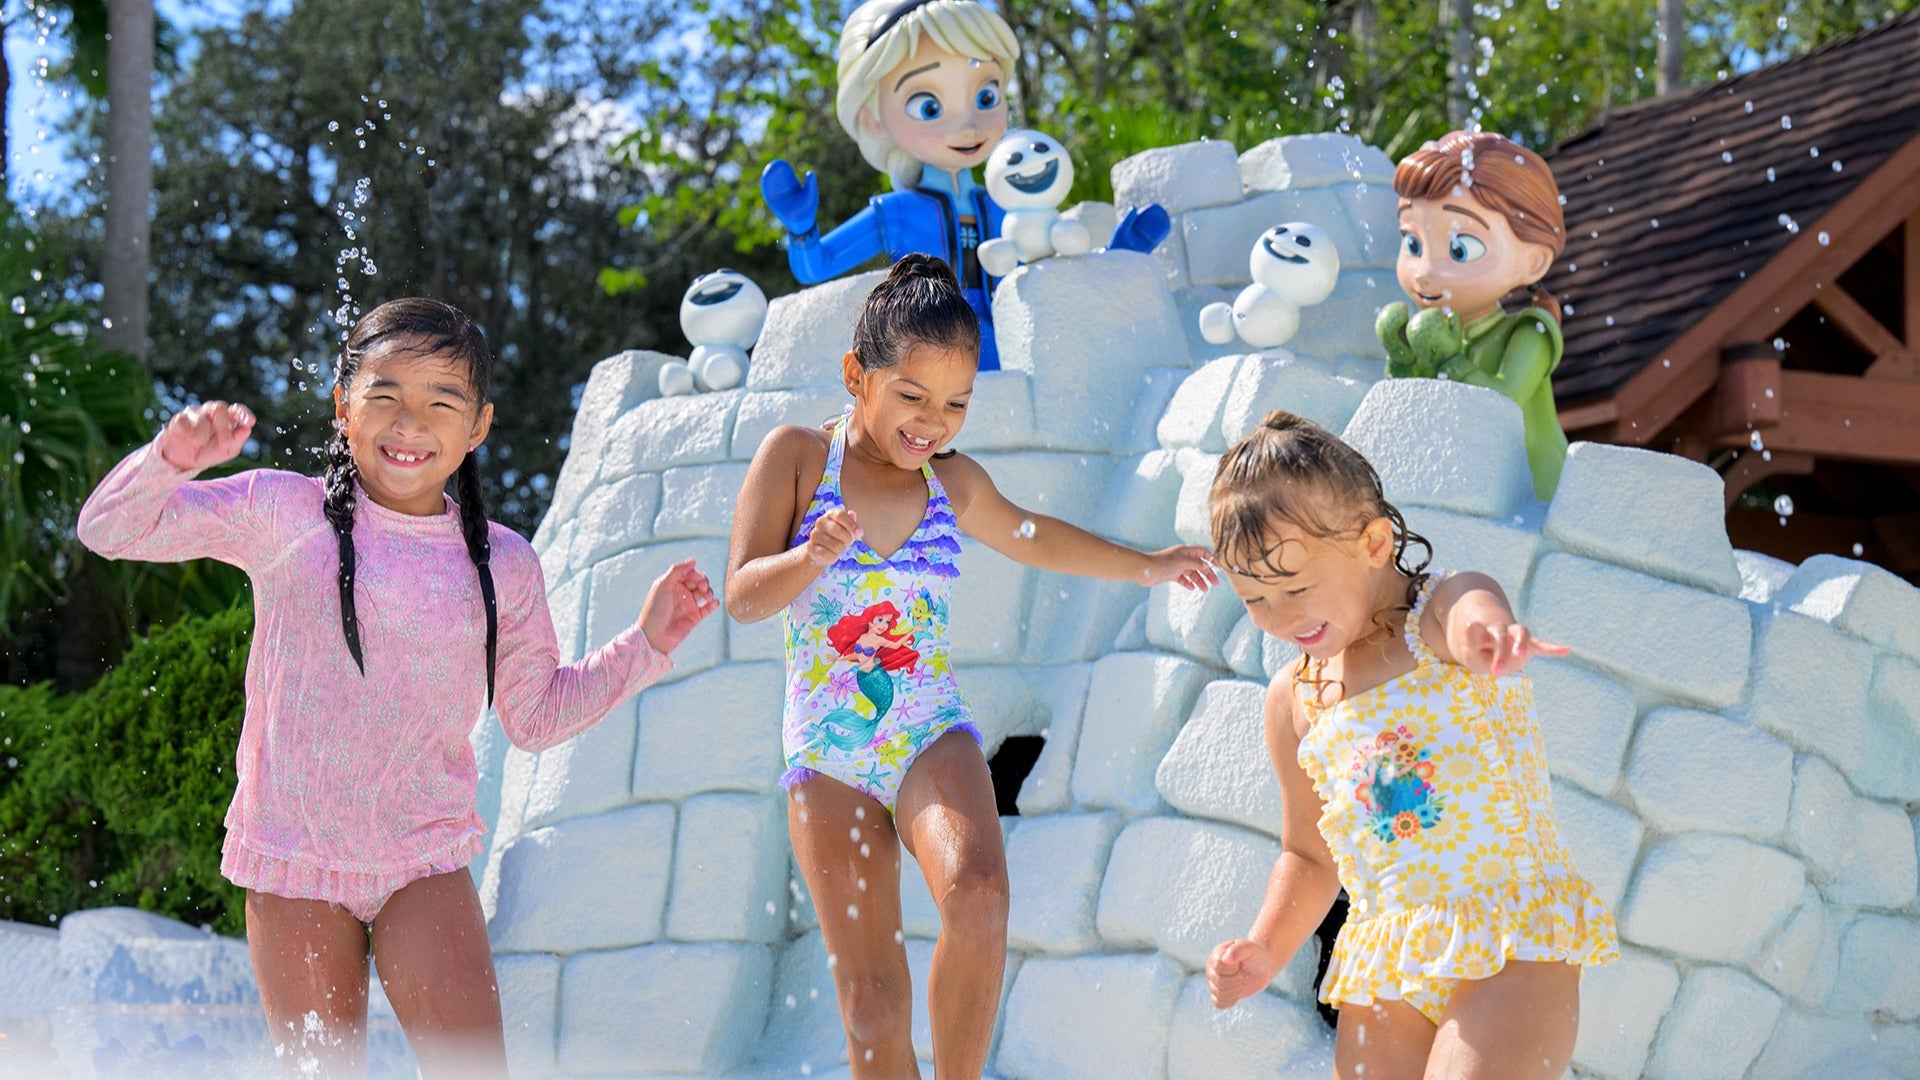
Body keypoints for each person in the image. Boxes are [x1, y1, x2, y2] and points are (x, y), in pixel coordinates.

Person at [77, 298, 718, 1077]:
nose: (409, 423)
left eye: (440, 402)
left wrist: (645, 645)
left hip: (421, 860)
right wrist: (168, 461)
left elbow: (536, 716)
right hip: (293, 860)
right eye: (384, 396)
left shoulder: (502, 564)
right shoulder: (284, 513)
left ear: (478, 426)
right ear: (343, 407)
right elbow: (108, 530)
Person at [726, 254, 1214, 1077]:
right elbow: (742, 596)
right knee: (873, 1009)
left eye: (956, 404)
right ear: (858, 375)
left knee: (980, 896)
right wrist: (812, 554)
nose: (933, 422)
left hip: (926, 728)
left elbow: (1034, 534)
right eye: (911, 396)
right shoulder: (800, 458)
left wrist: (1148, 564)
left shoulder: (951, 481)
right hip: (830, 754)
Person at [1202, 411, 1614, 1080]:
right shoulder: (1296, 700)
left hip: (1511, 936)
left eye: (1296, 588)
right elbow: (1308, 855)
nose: (1280, 617)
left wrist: (1491, 635)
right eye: (1254, 598)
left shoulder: (1439, 617)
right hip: (1389, 958)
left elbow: (1475, 610)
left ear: (1371, 542)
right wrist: (1264, 948)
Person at [759, 0, 1170, 371]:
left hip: (1017, 336)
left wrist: (1115, 259)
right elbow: (815, 266)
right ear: (873, 119)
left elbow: (1053, 270)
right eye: (929, 106)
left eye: (986, 96)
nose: (968, 124)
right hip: (933, 351)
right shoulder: (897, 212)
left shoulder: (1008, 204)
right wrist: (801, 229)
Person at [1375, 130, 1571, 499]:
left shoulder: (1531, 333)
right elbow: (1406, 411)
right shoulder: (1430, 334)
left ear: (1534, 261)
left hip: (1533, 497)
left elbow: (1501, 407)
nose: (1425, 271)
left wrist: (1449, 358)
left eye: (1461, 248)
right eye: (1412, 243)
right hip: (1456, 490)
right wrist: (1401, 359)